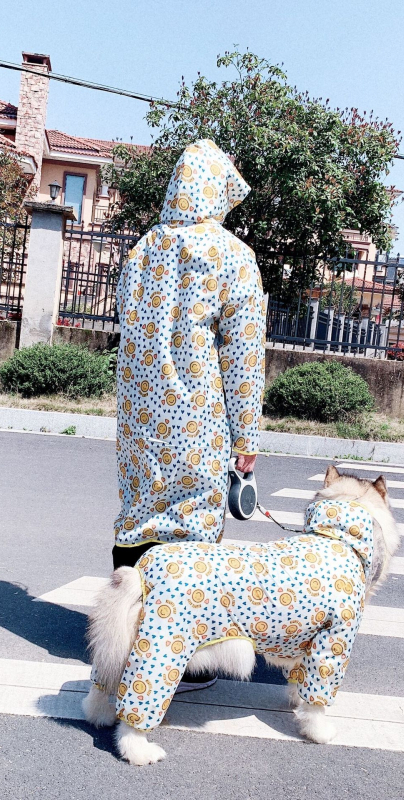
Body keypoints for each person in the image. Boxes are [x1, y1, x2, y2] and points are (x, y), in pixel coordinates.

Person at [111, 138, 265, 589]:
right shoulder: (234, 255)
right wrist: (247, 435)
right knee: (193, 517)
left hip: (138, 410)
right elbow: (243, 355)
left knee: (139, 511)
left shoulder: (142, 249)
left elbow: (127, 318)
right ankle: (179, 636)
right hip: (197, 416)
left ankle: (130, 621)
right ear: (216, 190)